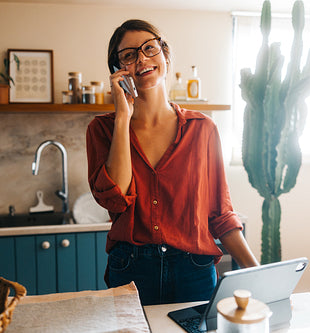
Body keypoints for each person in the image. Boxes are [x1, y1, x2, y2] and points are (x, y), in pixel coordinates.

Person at [86, 19, 259, 306]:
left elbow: (220, 213)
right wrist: (122, 118)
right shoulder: (102, 130)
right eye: (128, 55)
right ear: (118, 71)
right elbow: (115, 199)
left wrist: (258, 273)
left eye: (149, 48)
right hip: (130, 269)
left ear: (165, 55)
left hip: (195, 270)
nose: (141, 58)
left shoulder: (203, 129)